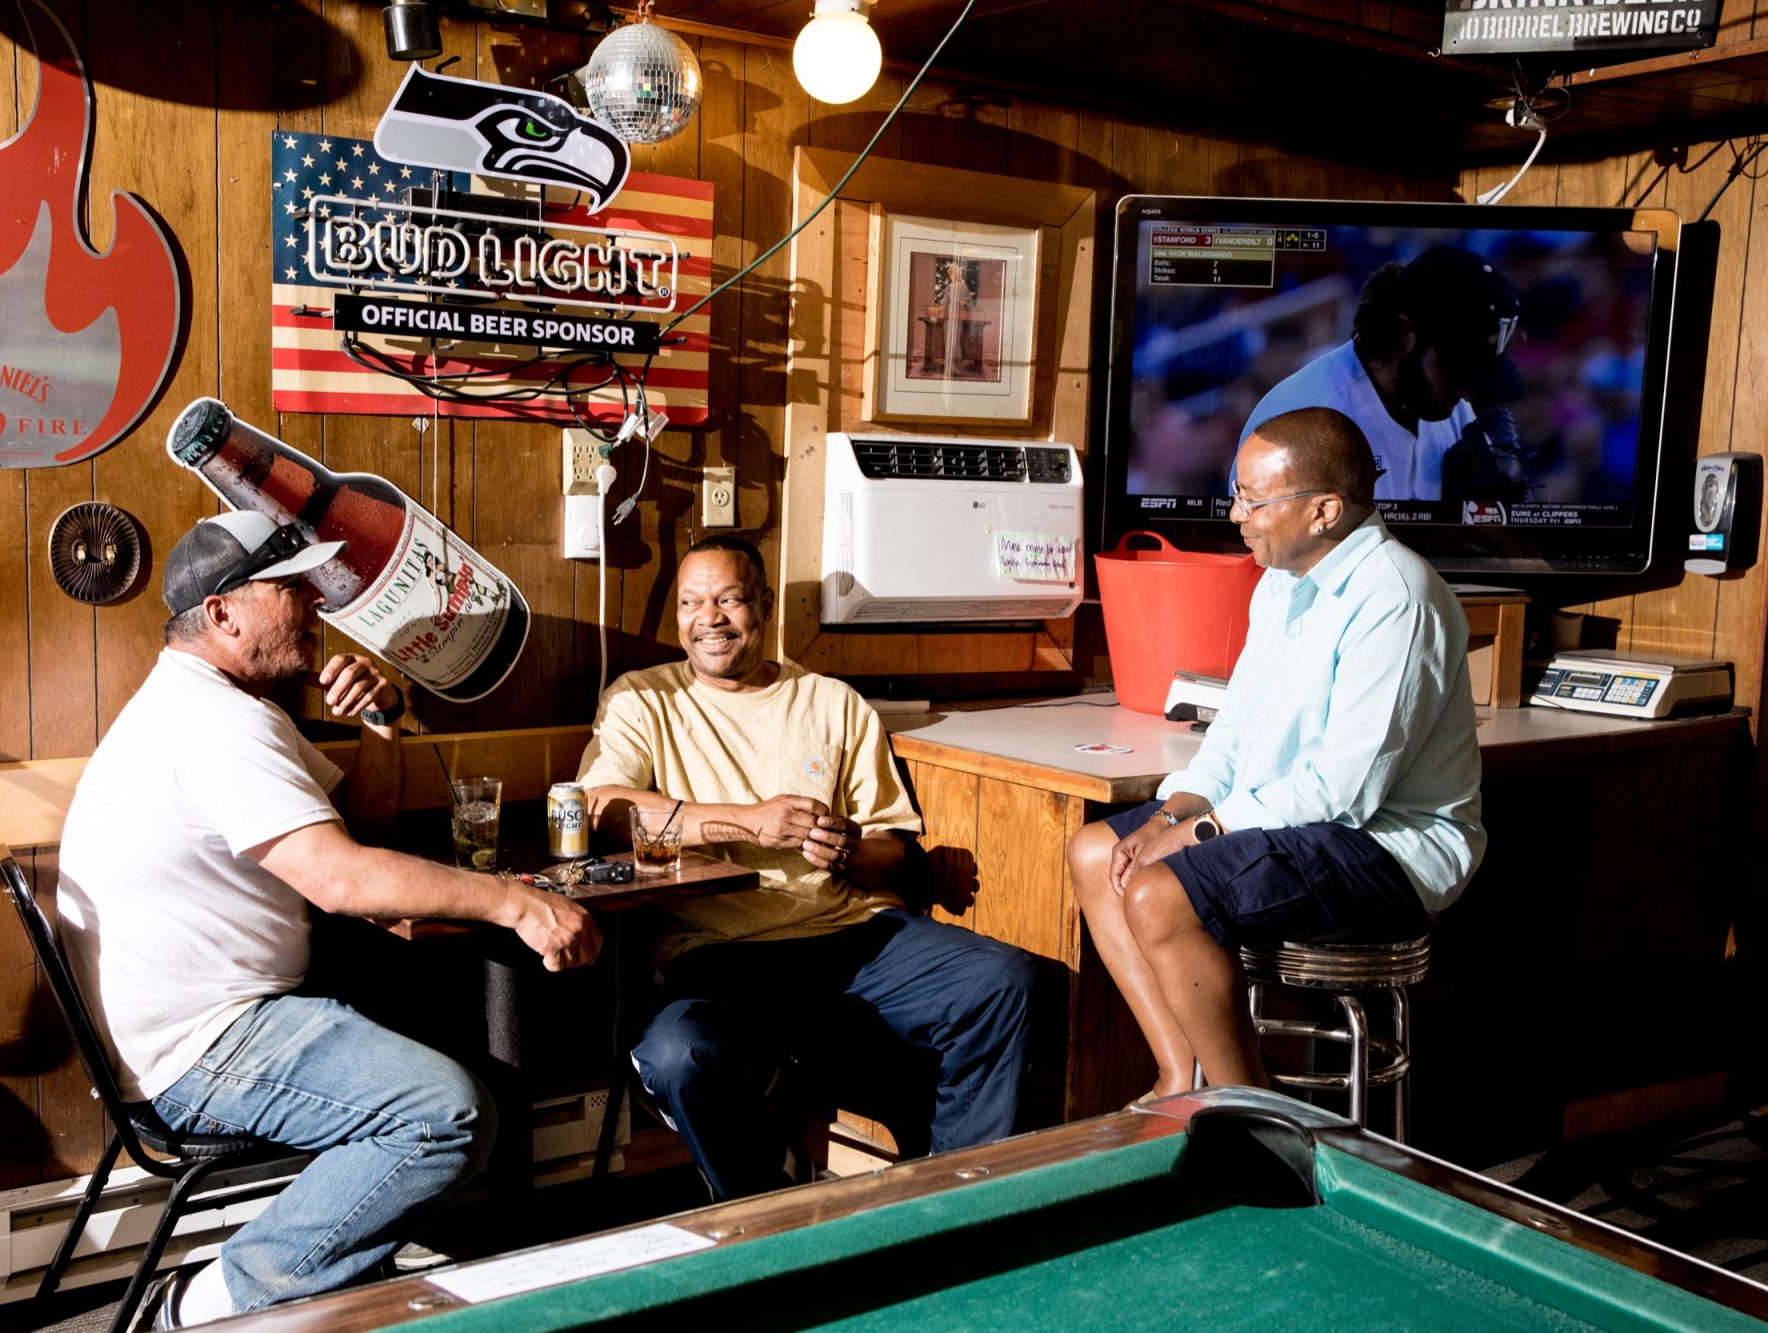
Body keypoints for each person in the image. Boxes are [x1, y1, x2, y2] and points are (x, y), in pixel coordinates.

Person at [57, 511, 600, 1328]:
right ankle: (204, 1303)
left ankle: (349, 1285)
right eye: (291, 587)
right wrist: (519, 901)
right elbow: (344, 880)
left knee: (432, 1044)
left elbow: (356, 829)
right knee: (440, 1115)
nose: (315, 602)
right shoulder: (215, 723)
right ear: (223, 613)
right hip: (202, 1047)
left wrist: (380, 723)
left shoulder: (223, 704)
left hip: (209, 1021)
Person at [575, 534, 1037, 1200]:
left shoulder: (830, 701)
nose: (709, 618)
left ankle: (961, 1196)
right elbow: (604, 807)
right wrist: (749, 819)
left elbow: (894, 848)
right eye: (692, 602)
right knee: (676, 1054)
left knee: (1000, 979)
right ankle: (763, 1210)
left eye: (729, 599)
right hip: (716, 948)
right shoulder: (643, 701)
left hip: (850, 933)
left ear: (762, 602)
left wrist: (850, 846)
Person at [1071, 407, 1485, 1100]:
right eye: (1238, 495)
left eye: (1254, 500)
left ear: (1325, 510)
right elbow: (1234, 732)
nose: (1238, 515)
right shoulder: (1279, 584)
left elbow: (1343, 791)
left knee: (1160, 893)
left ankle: (1252, 1117)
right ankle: (1182, 1076)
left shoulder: (1397, 597)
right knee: (1095, 853)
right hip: (1297, 822)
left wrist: (1196, 835)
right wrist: (1169, 813)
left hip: (1389, 846)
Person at [1241, 245, 1526, 502]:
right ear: (1404, 336)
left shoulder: (1450, 406)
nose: (1466, 391)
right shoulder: (1301, 418)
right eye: (1454, 368)